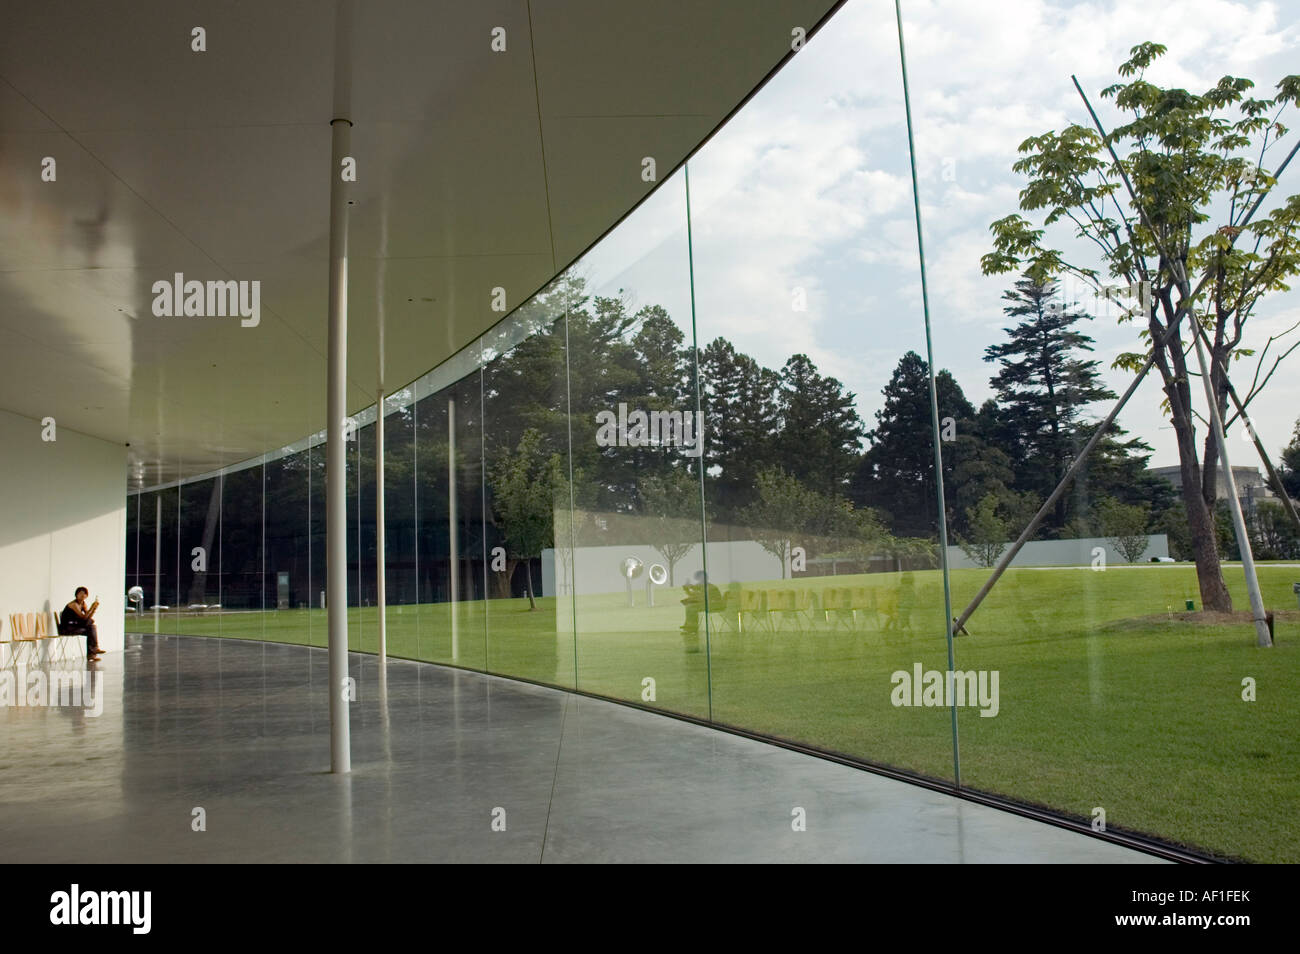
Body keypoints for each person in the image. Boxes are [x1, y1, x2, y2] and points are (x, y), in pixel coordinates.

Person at [680, 570, 722, 651]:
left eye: (700, 578)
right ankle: (689, 626)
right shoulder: (701, 586)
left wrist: (690, 589)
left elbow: (702, 597)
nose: (699, 580)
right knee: (690, 606)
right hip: (707, 603)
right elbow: (695, 595)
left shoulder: (710, 587)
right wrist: (687, 590)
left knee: (691, 608)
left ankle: (692, 628)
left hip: (714, 604)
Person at [60, 587, 103, 659]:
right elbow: (83, 617)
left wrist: (94, 609)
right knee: (91, 625)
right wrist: (91, 608)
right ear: (76, 595)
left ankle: (92, 654)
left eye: (84, 594)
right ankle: (94, 651)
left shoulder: (83, 604)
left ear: (87, 596)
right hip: (67, 628)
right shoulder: (73, 604)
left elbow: (87, 617)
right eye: (80, 593)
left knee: (91, 627)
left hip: (75, 625)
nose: (82, 595)